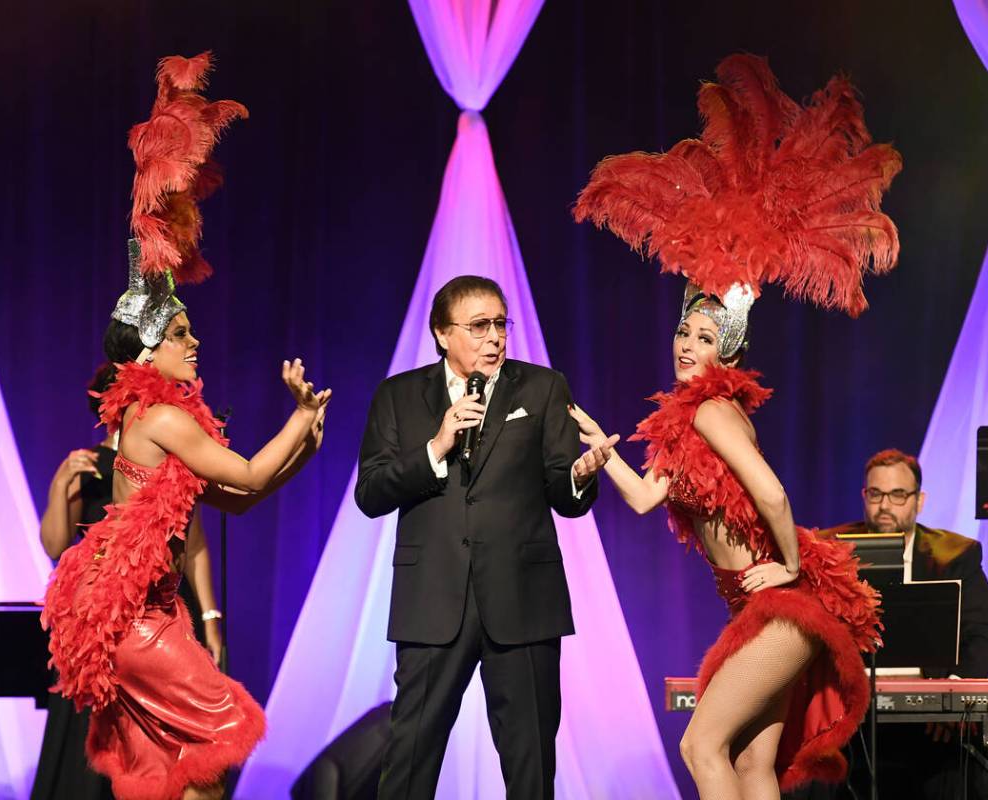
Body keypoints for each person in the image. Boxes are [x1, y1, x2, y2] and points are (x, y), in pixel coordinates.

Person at [572, 54, 901, 798]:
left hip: (779, 603)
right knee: (752, 763)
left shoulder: (716, 410)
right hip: (757, 605)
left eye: (700, 338)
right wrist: (600, 450)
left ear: (726, 347)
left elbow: (775, 496)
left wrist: (786, 565)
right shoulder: (685, 421)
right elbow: (646, 499)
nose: (684, 346)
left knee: (700, 747)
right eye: (681, 335)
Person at [41, 53, 331, 800]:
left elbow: (235, 500)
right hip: (131, 615)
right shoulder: (162, 414)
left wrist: (304, 444)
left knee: (167, 773)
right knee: (222, 733)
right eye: (179, 334)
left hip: (146, 608)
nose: (193, 343)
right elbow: (246, 473)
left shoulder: (160, 416)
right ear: (147, 348)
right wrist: (297, 421)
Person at [355, 275, 608, 799]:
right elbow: (372, 493)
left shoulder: (542, 388)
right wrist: (436, 446)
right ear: (443, 334)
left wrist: (581, 475)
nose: (494, 337)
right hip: (432, 602)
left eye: (500, 324)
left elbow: (564, 492)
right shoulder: (398, 396)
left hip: (523, 603)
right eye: (479, 326)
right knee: (408, 763)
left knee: (531, 764)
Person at [32, 365, 224, 800]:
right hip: (107, 610)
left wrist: (211, 616)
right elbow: (56, 544)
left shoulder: (167, 456)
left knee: (172, 735)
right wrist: (61, 485)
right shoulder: (89, 464)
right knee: (105, 733)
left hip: (164, 602)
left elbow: (193, 544)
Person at [825, 448, 988, 679]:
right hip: (847, 689)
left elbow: (982, 635)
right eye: (876, 494)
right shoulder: (830, 550)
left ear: (919, 501)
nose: (885, 506)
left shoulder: (957, 555)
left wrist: (952, 694)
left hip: (928, 692)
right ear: (864, 496)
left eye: (898, 495)